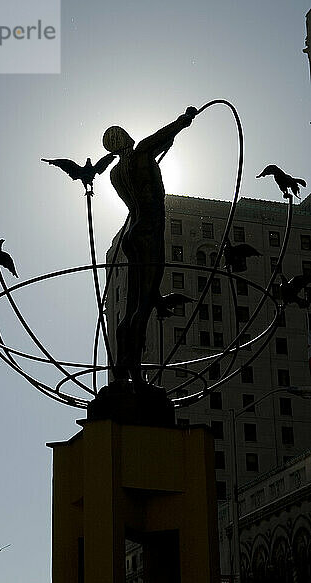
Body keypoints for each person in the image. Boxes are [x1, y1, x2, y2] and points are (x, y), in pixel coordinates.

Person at [103, 106, 197, 392]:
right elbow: (165, 134)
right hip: (149, 231)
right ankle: (135, 371)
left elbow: (162, 143)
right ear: (126, 139)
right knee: (140, 307)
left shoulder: (116, 173)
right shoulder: (143, 152)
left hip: (132, 234)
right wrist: (185, 118)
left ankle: (120, 370)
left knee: (135, 300)